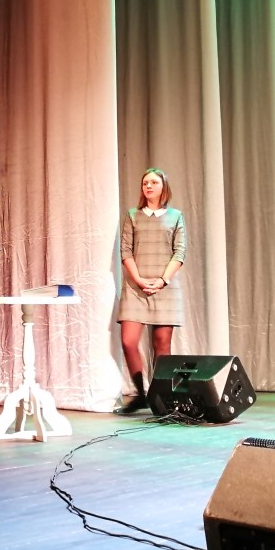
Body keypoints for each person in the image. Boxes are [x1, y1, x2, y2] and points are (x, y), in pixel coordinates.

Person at [115, 167, 186, 414]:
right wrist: (138, 279)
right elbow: (125, 250)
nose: (148, 186)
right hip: (136, 287)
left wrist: (163, 280)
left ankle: (160, 398)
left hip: (165, 287)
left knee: (162, 345)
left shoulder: (175, 216)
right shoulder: (133, 215)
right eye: (145, 182)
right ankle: (141, 395)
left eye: (154, 182)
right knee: (128, 341)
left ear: (163, 187)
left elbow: (180, 252)